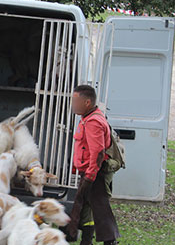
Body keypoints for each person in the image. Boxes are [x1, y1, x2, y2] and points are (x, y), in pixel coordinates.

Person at [67, 84, 120, 245]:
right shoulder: (89, 118)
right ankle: (86, 240)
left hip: (94, 173)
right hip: (91, 171)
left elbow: (97, 152)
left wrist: (89, 176)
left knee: (100, 207)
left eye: (75, 101)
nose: (73, 105)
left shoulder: (93, 122)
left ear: (87, 103)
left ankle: (109, 241)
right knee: (87, 207)